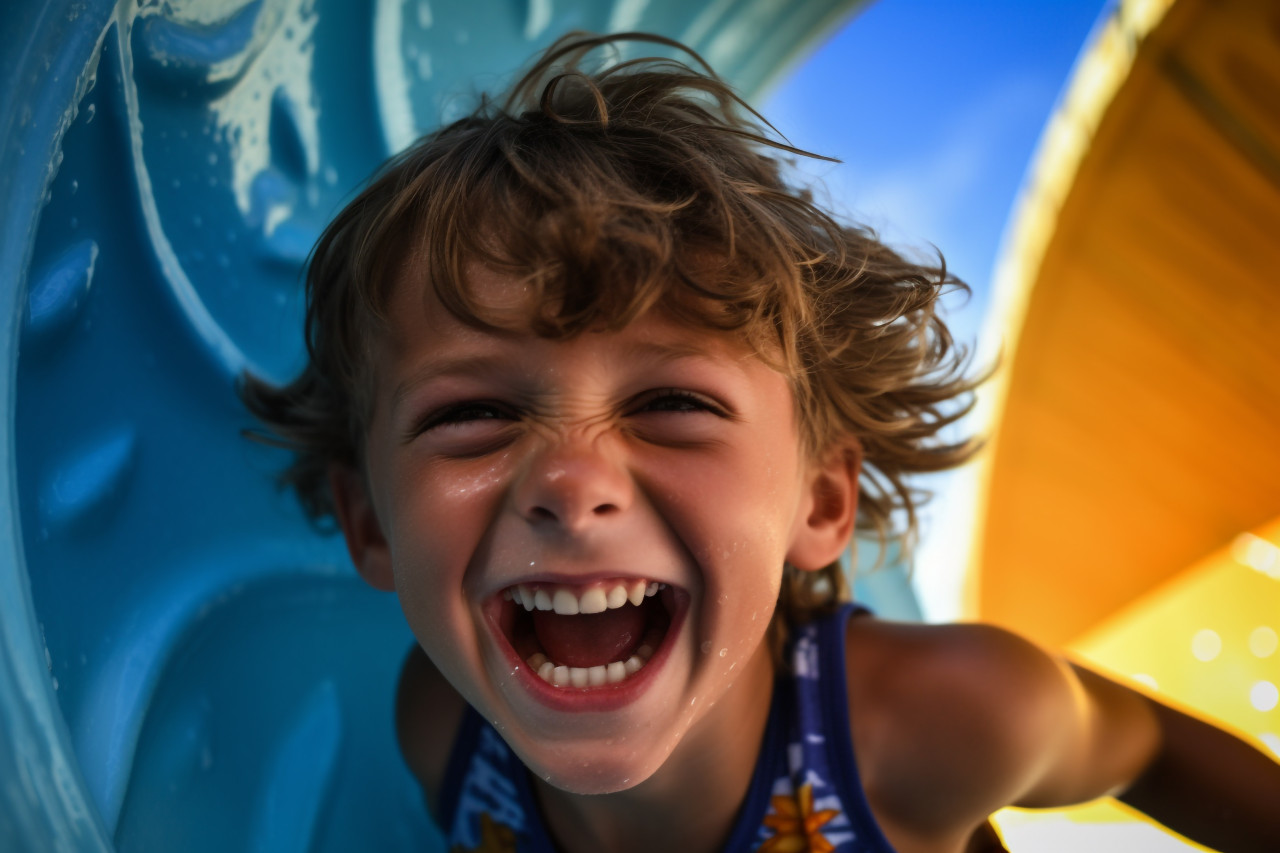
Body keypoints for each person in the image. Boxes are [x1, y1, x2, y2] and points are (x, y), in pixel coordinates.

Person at [240, 32, 1280, 853]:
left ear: (819, 502)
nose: (568, 478)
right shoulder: (439, 727)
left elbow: (1147, 752)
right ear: (369, 522)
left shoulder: (934, 723)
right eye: (473, 416)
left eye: (668, 404)